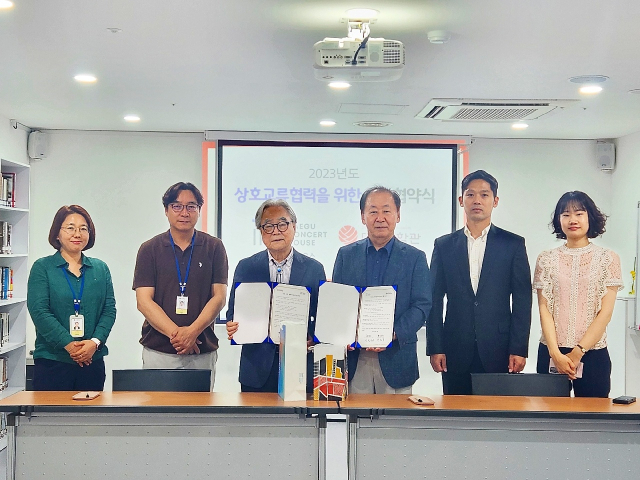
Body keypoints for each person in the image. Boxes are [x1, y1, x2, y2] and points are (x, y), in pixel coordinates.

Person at [427, 170, 532, 395]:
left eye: (484, 195)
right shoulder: (444, 245)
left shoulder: (512, 244)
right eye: (471, 194)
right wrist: (435, 347)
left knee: (496, 418)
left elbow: (523, 301)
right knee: (456, 416)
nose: (477, 200)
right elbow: (434, 299)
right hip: (454, 349)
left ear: (495, 201)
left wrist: (519, 348)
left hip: (500, 349)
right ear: (461, 200)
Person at [332, 186, 431, 394]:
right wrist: (344, 334)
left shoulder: (415, 258)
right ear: (362, 217)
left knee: (396, 424)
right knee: (356, 423)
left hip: (397, 357)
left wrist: (393, 333)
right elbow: (337, 303)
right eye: (373, 211)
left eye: (386, 211)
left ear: (398, 215)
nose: (380, 217)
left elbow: (422, 306)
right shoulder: (346, 255)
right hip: (355, 360)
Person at [133, 182, 228, 389]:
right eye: (177, 206)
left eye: (191, 206)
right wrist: (179, 336)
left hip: (202, 350)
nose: (184, 212)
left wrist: (192, 332)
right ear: (166, 210)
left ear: (199, 211)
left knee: (199, 417)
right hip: (159, 350)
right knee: (158, 416)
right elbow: (143, 301)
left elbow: (219, 297)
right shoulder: (149, 249)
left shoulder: (214, 247)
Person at [226, 199, 326, 392]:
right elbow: (233, 312)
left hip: (300, 366)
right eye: (268, 226)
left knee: (300, 423)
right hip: (256, 368)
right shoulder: (246, 267)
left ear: (294, 227)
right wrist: (232, 325)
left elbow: (321, 318)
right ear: (261, 231)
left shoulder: (314, 269)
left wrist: (313, 337)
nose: (276, 231)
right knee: (257, 423)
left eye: (282, 224)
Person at [534, 191, 623, 397]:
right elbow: (543, 308)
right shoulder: (546, 259)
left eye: (579, 213)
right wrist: (555, 354)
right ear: (559, 220)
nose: (572, 220)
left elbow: (605, 313)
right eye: (565, 214)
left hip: (593, 354)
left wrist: (578, 352)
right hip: (551, 353)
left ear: (589, 217)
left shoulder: (608, 259)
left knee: (592, 420)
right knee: (550, 419)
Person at [27, 205, 116, 391]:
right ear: (57, 234)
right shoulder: (43, 267)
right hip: (53, 362)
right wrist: (69, 345)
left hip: (93, 361)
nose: (77, 233)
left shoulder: (100, 269)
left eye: (83, 229)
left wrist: (94, 342)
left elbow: (109, 310)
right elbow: (40, 312)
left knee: (89, 419)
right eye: (70, 228)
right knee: (51, 419)